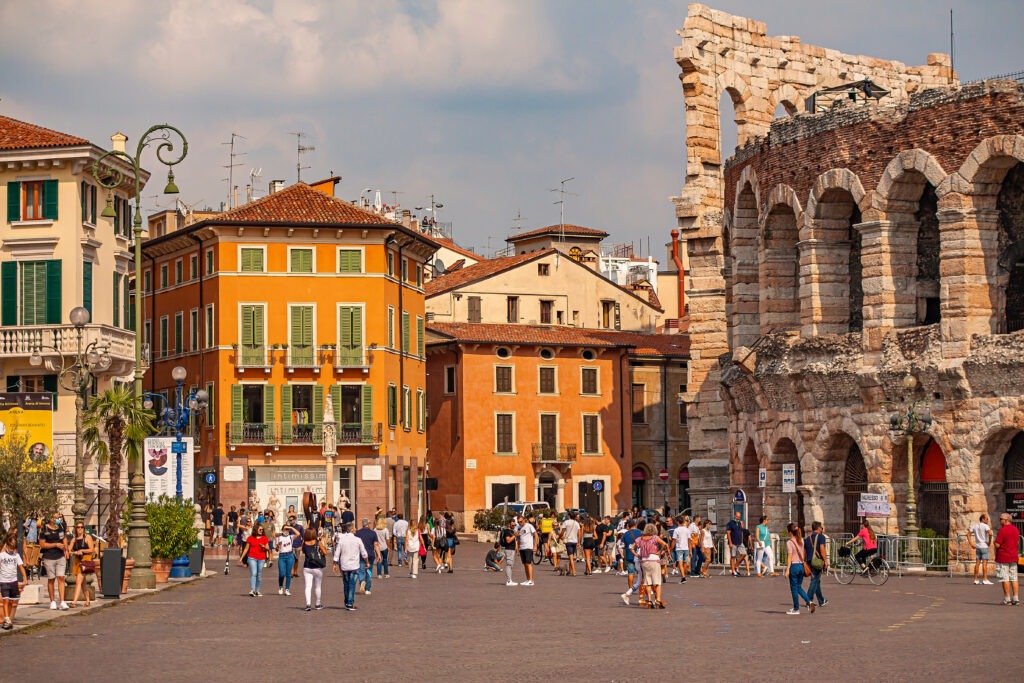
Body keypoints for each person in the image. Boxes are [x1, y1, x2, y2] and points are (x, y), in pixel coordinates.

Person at [333, 523, 368, 611]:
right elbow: (363, 553)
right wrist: (367, 562)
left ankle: (347, 601)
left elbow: (337, 552)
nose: (356, 529)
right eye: (354, 528)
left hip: (344, 565)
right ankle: (350, 603)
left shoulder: (341, 540)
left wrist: (334, 563)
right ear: (352, 530)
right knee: (352, 584)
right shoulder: (358, 540)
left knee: (346, 583)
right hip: (354, 565)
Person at [39, 512, 69, 610]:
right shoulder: (44, 529)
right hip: (49, 556)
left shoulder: (60, 526)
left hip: (60, 556)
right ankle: (52, 601)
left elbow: (64, 538)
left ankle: (62, 601)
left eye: (57, 516)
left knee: (61, 578)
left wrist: (66, 549)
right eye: (54, 516)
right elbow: (42, 544)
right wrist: (55, 545)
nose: (56, 518)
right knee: (51, 579)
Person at [784, 522, 815, 615]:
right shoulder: (801, 540)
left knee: (794, 588)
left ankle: (796, 608)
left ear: (790, 532)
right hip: (801, 566)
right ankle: (809, 602)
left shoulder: (789, 542)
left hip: (794, 566)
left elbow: (790, 556)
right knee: (799, 587)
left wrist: (787, 569)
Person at [637, 523, 669, 608]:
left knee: (647, 582)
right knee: (657, 581)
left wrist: (637, 555)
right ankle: (658, 600)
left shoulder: (641, 538)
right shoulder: (655, 537)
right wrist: (659, 551)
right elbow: (665, 544)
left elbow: (631, 547)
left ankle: (650, 601)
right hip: (654, 559)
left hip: (644, 560)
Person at [0, 530, 28, 630]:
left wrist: (25, 578)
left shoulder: (16, 556)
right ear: (6, 545)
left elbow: (21, 567)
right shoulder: (2, 556)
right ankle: (7, 618)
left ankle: (9, 619)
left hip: (13, 581)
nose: (12, 550)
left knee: (13, 601)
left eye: (13, 548)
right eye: (10, 548)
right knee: (5, 600)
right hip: (3, 581)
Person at [993, 513, 1020, 606]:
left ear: (1005, 520)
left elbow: (997, 544)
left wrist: (993, 541)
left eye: (1001, 519)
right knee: (1014, 578)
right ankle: (1016, 598)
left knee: (1005, 578)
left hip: (1003, 557)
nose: (1000, 521)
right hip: (1013, 556)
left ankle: (1007, 599)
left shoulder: (1003, 530)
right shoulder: (1016, 529)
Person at [300, 528, 328, 611]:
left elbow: (303, 551)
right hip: (317, 567)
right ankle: (317, 604)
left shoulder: (304, 543)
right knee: (317, 586)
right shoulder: (317, 542)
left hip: (307, 566)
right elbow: (325, 552)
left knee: (308, 586)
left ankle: (308, 604)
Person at [68, 523, 96, 608]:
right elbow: (69, 551)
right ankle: (87, 600)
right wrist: (75, 552)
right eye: (78, 527)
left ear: (84, 529)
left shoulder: (87, 537)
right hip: (77, 560)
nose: (80, 529)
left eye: (81, 527)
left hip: (85, 559)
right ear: (76, 529)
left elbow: (92, 549)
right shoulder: (74, 539)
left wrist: (82, 550)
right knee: (83, 583)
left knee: (78, 581)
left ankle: (74, 602)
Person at [804, 521, 828, 608]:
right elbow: (822, 549)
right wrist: (825, 560)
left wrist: (804, 561)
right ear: (818, 528)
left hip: (809, 561)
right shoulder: (821, 537)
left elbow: (804, 552)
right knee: (814, 580)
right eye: (821, 527)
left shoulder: (807, 538)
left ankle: (821, 600)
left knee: (817, 580)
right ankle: (808, 600)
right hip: (817, 562)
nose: (822, 529)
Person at [619, 518, 644, 604]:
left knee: (630, 572)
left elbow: (622, 544)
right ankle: (640, 590)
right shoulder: (640, 532)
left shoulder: (625, 534)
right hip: (639, 555)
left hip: (629, 555)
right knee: (641, 574)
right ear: (636, 525)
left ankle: (630, 587)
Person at [354, 519, 381, 594]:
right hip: (370, 554)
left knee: (361, 570)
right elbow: (376, 545)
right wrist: (379, 555)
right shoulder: (373, 533)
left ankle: (362, 581)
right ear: (368, 524)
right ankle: (367, 589)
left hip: (361, 555)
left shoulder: (357, 533)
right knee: (369, 571)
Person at [244, 524, 270, 597]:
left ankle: (257, 590)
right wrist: (241, 558)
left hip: (261, 558)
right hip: (252, 557)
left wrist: (264, 546)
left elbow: (268, 548)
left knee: (259, 574)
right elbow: (246, 549)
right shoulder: (250, 538)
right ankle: (252, 590)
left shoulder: (264, 538)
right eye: (260, 529)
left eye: (262, 530)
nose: (261, 531)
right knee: (254, 573)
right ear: (256, 530)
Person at [968, 513, 994, 585]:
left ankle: (976, 579)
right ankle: (985, 579)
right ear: (983, 519)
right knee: (984, 564)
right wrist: (989, 541)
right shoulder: (986, 526)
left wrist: (971, 544)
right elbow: (990, 533)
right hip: (984, 546)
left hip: (978, 546)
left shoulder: (975, 526)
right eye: (986, 519)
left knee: (977, 563)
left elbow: (968, 534)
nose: (987, 520)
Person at [275, 524, 298, 595]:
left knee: (288, 574)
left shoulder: (291, 537)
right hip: (282, 556)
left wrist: (291, 527)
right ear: (282, 530)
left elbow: (298, 533)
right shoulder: (279, 538)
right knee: (282, 574)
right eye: (285, 529)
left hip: (290, 555)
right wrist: (277, 547)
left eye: (288, 529)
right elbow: (276, 549)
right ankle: (280, 586)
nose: (286, 531)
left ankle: (287, 589)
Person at [515, 515, 537, 586]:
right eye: (518, 522)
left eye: (521, 521)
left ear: (524, 520)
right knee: (524, 564)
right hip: (522, 548)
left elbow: (535, 535)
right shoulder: (518, 528)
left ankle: (531, 580)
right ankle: (527, 579)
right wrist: (517, 548)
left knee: (528, 563)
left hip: (528, 547)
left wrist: (535, 545)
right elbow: (518, 538)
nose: (520, 523)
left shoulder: (529, 526)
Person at [560, 511, 581, 576]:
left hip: (568, 541)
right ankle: (570, 571)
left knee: (571, 557)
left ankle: (574, 571)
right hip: (575, 541)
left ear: (569, 516)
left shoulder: (566, 522)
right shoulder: (576, 523)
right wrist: (579, 542)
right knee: (571, 556)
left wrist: (560, 537)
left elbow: (562, 532)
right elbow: (579, 533)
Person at [671, 515, 691, 583]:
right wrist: (690, 550)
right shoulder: (687, 530)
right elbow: (689, 541)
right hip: (686, 548)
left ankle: (683, 577)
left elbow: (674, 540)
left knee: (680, 563)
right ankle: (683, 576)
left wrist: (671, 548)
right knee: (684, 563)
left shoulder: (676, 530)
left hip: (679, 548)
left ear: (677, 522)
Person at [725, 510, 745, 577]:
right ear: (734, 516)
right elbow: (728, 533)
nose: (738, 518)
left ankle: (736, 566)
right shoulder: (730, 523)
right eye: (737, 516)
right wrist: (730, 542)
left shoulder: (740, 523)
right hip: (733, 542)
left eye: (739, 517)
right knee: (733, 556)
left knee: (743, 554)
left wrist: (742, 540)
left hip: (739, 542)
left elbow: (741, 532)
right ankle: (733, 571)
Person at [499, 518, 518, 586]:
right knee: (509, 564)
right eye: (513, 525)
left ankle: (510, 580)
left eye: (514, 525)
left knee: (511, 565)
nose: (514, 526)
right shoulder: (507, 531)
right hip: (508, 549)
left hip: (512, 549)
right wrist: (515, 535)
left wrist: (516, 549)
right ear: (509, 524)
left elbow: (514, 541)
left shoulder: (512, 531)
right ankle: (509, 581)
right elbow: (508, 540)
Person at [21, 513, 39, 580]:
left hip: (34, 536)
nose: (35, 516)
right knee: (29, 549)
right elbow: (24, 524)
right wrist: (29, 528)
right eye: (34, 515)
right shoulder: (30, 520)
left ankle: (32, 563)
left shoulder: (36, 521)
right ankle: (29, 565)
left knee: (33, 549)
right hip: (30, 535)